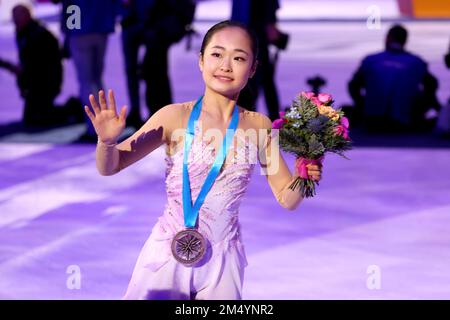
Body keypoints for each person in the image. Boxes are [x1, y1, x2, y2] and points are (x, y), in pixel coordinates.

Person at [85, 21, 321, 300]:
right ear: (200, 61)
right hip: (166, 257)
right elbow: (110, 166)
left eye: (239, 58)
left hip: (223, 261)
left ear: (253, 68)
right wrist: (107, 141)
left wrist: (305, 172)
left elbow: (287, 198)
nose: (226, 65)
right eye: (217, 54)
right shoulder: (174, 117)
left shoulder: (259, 127)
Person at [119, 0, 196, 129]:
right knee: (153, 71)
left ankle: (159, 116)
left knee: (154, 71)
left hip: (154, 24)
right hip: (149, 23)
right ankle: (156, 115)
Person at [348, 24, 440, 132]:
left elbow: (353, 85)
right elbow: (432, 84)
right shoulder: (416, 62)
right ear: (405, 40)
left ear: (388, 38)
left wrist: (361, 105)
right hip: (404, 122)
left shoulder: (371, 60)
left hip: (372, 121)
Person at [231, 0, 288, 121]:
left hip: (250, 38)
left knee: (255, 81)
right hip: (251, 38)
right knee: (259, 81)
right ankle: (272, 120)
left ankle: (252, 120)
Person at [9, 4, 63, 127]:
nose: (14, 21)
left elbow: (45, 64)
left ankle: (71, 109)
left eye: (16, 17)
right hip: (35, 80)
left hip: (45, 81)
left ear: (27, 16)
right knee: (32, 117)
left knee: (38, 118)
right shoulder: (22, 32)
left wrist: (23, 74)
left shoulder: (39, 34)